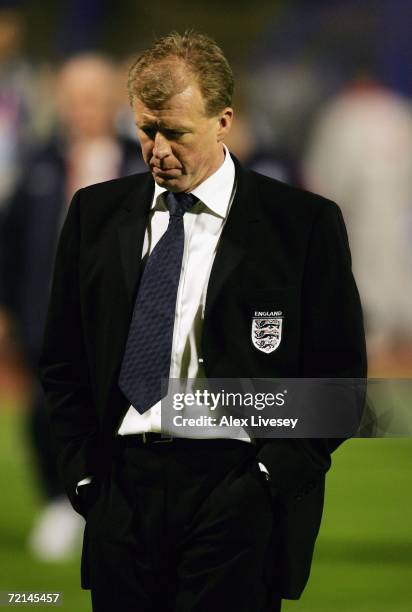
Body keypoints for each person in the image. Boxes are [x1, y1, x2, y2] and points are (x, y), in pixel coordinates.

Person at [39, 31, 367, 612]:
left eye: (176, 133)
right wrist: (87, 480)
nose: (158, 149)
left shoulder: (301, 224)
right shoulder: (96, 213)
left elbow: (338, 384)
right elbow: (64, 362)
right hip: (122, 493)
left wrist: (266, 481)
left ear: (224, 121)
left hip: (237, 487)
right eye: (145, 130)